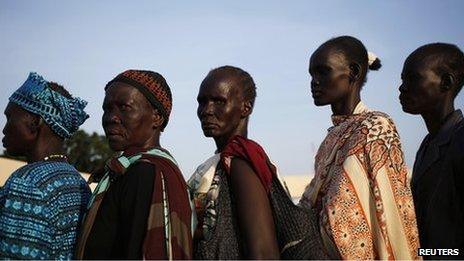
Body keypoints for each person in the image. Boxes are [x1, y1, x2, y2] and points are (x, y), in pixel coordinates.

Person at [189, 65, 331, 259]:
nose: (207, 110)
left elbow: (263, 251)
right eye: (202, 102)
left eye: (219, 101)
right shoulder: (224, 160)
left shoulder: (241, 160)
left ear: (245, 107)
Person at [299, 36, 420, 259]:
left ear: (353, 72)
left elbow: (393, 212)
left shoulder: (376, 127)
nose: (314, 81)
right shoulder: (331, 140)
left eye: (323, 72)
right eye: (311, 74)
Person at [75, 69, 192, 259]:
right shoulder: (127, 169)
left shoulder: (145, 173)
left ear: (157, 117)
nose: (111, 118)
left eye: (124, 107)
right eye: (107, 108)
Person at [0, 72, 91, 260]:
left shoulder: (27, 183)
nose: (4, 128)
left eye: (10, 117)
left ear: (35, 123)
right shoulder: (78, 182)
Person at [399, 43, 464, 259]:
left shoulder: (460, 139)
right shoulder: (427, 145)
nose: (402, 88)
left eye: (413, 78)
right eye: (402, 80)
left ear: (446, 82)